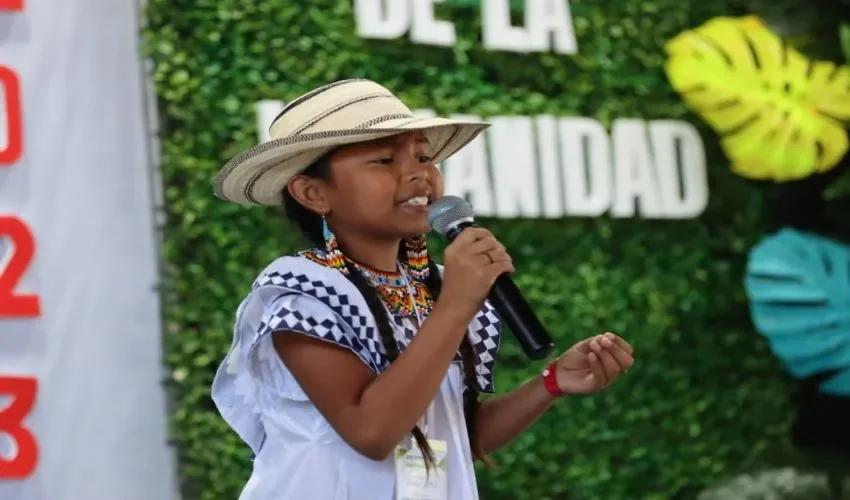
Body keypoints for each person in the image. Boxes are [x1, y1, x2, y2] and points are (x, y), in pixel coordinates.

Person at [211, 79, 635, 500]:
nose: (417, 173)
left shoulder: (431, 289)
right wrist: (455, 306)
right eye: (383, 160)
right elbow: (373, 432)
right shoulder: (303, 297)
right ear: (313, 192)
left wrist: (551, 381)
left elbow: (449, 438)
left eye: (423, 156)